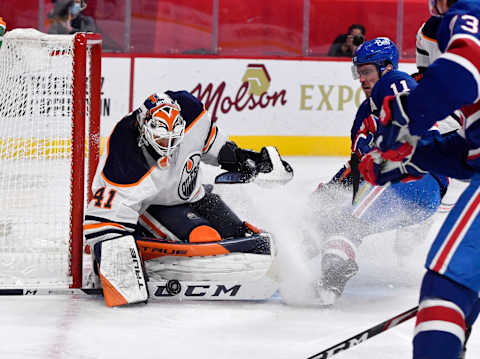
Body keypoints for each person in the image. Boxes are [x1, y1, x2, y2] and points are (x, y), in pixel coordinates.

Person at [83, 90, 293, 307]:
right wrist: (118, 266)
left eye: (174, 137)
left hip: (194, 195)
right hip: (152, 205)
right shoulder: (126, 156)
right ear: (143, 128)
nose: (168, 145)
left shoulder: (191, 111)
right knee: (204, 237)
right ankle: (157, 262)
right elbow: (102, 221)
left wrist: (248, 161)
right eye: (162, 138)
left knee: (245, 238)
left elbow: (212, 145)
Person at [355, 1, 480, 357]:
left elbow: (463, 69)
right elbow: (470, 157)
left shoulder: (467, 11)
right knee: (461, 293)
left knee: (447, 287)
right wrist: (413, 154)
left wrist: (406, 118)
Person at [307, 37, 449, 305]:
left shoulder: (397, 84)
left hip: (415, 181)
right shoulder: (365, 112)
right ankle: (318, 270)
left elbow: (409, 116)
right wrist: (331, 190)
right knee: (336, 220)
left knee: (346, 222)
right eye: (358, 73)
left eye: (367, 71)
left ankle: (329, 282)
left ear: (386, 68)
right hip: (406, 194)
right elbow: (358, 167)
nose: (362, 79)